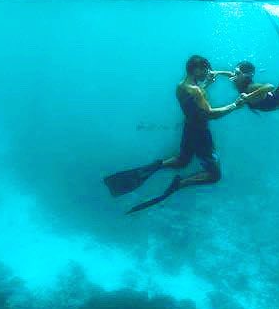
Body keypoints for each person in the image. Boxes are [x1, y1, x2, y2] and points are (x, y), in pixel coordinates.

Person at [103, 55, 247, 213]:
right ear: (196, 69)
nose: (208, 72)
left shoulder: (181, 86)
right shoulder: (196, 90)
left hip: (189, 129)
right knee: (215, 175)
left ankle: (155, 167)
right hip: (200, 134)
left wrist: (206, 84)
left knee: (182, 161)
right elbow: (209, 114)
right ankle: (180, 184)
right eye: (205, 69)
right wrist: (235, 105)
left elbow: (193, 103)